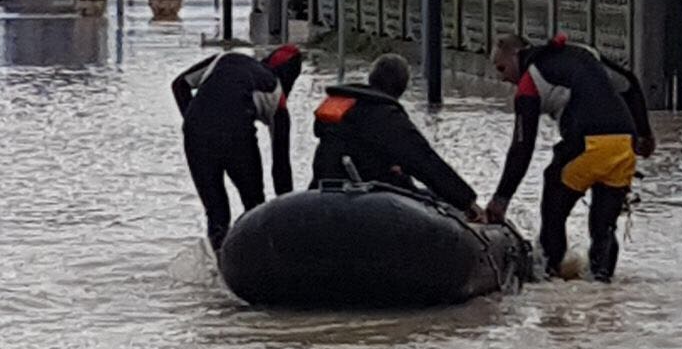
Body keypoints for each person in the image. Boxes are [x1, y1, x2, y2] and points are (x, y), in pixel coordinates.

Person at [486, 34, 655, 281]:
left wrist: (501, 199)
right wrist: (645, 133)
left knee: (554, 199)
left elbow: (522, 147)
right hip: (623, 144)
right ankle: (603, 289)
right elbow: (628, 84)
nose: (501, 76)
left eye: (501, 68)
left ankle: (549, 273)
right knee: (604, 226)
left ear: (516, 55)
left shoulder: (529, 82)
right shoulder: (585, 52)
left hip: (588, 144)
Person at [310, 53, 483, 218]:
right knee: (435, 201)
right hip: (368, 200)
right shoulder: (386, 117)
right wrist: (466, 201)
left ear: (371, 79)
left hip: (321, 195)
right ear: (402, 88)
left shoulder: (342, 110)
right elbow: (424, 161)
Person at [172, 44, 302, 251]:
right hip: (236, 134)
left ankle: (215, 270)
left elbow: (179, 85)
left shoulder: (224, 58)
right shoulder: (276, 93)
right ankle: (255, 265)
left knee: (216, 215)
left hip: (195, 132)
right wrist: (286, 214)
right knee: (254, 207)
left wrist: (195, 122)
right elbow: (281, 167)